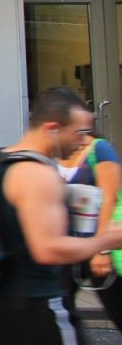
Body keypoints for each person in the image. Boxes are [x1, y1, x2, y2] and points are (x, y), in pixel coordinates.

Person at [0, 87, 122, 344]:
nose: (83, 142)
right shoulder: (38, 175)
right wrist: (104, 242)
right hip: (33, 310)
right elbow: (47, 249)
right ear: (52, 128)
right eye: (79, 133)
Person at [59, 130, 122, 331]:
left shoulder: (99, 149)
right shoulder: (52, 153)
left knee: (117, 306)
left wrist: (101, 250)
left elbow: (110, 198)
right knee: (62, 309)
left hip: (103, 245)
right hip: (70, 246)